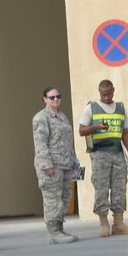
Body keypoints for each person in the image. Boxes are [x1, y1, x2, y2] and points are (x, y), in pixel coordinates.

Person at [77, 78, 128, 236]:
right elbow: (81, 131)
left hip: (117, 152)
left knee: (120, 187)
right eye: (103, 94)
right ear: (99, 92)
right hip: (100, 154)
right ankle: (103, 223)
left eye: (109, 94)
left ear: (113, 91)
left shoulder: (120, 108)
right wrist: (96, 127)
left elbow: (125, 133)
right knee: (101, 188)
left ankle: (118, 223)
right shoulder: (91, 108)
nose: (106, 97)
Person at [32, 86, 80, 244]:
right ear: (44, 99)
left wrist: (75, 163)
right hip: (51, 166)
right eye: (51, 97)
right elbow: (40, 144)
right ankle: (53, 231)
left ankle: (59, 229)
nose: (56, 99)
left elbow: (67, 142)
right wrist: (47, 165)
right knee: (52, 199)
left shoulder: (62, 117)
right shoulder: (41, 118)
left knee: (65, 197)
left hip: (65, 164)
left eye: (58, 96)